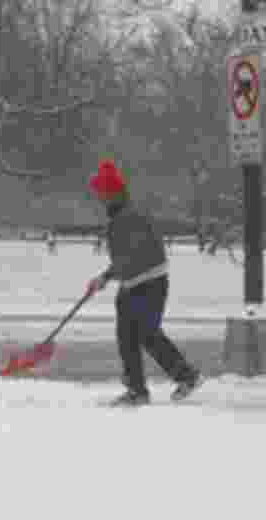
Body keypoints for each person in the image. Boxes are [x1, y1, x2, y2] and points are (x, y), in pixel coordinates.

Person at [85, 159, 205, 407]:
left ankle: (184, 377)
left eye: (100, 193)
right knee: (129, 337)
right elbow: (126, 259)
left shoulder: (128, 218)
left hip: (148, 283)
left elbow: (132, 257)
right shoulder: (123, 215)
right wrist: (106, 277)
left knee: (145, 334)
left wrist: (106, 278)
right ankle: (138, 390)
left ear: (110, 193)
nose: (98, 198)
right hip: (135, 284)